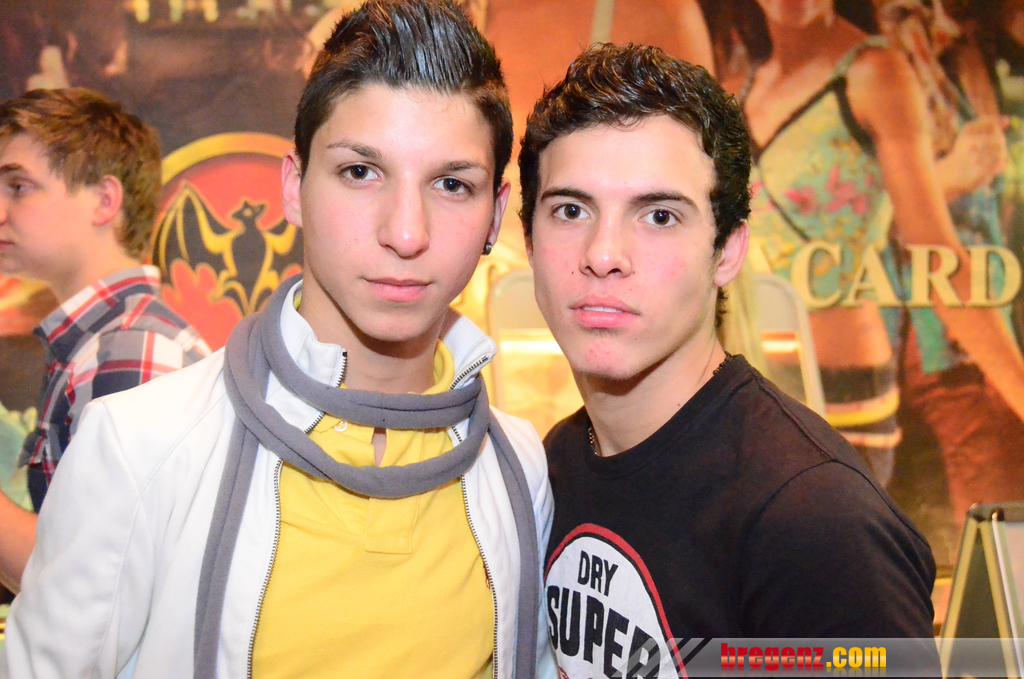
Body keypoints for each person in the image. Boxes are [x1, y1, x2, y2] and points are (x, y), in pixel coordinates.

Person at [2, 2, 554, 677]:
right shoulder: (140, 446)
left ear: (495, 216)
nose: (406, 232)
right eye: (360, 172)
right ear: (294, 188)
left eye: (451, 184)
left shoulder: (520, 469)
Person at [519, 43, 939, 678]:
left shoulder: (814, 518)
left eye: (659, 216)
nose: (603, 254)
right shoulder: (559, 463)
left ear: (727, 252)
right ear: (528, 240)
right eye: (571, 211)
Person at [0, 88, 210, 594]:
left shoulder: (132, 348)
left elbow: (90, 588)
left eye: (19, 187)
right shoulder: (104, 343)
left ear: (104, 201)